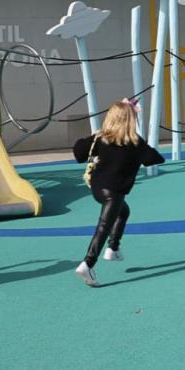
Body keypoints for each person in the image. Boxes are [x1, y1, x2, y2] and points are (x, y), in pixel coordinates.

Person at [72, 99, 165, 288]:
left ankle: (113, 248)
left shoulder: (101, 138)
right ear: (130, 120)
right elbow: (155, 158)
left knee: (123, 212)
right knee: (104, 226)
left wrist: (95, 136)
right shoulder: (135, 143)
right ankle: (87, 264)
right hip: (114, 192)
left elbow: (78, 152)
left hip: (97, 189)